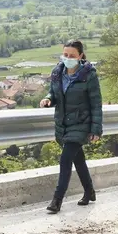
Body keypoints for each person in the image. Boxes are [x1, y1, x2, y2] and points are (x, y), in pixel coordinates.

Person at [40, 40, 102, 213]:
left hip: (81, 123)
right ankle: (89, 191)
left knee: (66, 159)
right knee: (78, 160)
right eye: (65, 55)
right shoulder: (58, 72)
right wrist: (48, 99)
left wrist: (96, 129)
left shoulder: (89, 75)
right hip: (63, 124)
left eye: (72, 56)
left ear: (80, 56)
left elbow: (96, 103)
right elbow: (53, 93)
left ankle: (56, 200)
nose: (68, 58)